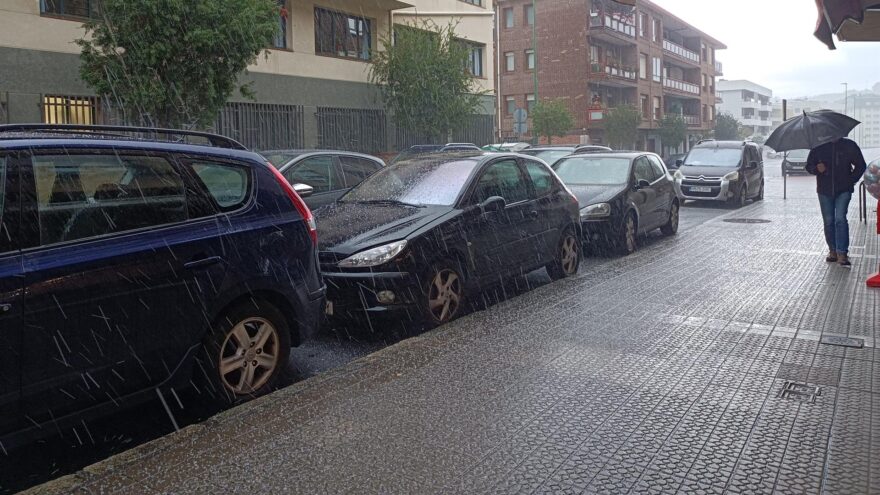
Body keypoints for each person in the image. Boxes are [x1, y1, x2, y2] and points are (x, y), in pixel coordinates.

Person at [805, 137, 867, 266]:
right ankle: (832, 250)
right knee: (828, 221)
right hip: (824, 190)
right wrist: (816, 169)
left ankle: (842, 252)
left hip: (844, 190)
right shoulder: (818, 147)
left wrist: (851, 180)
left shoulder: (849, 145)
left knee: (840, 219)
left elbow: (861, 165)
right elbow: (808, 166)